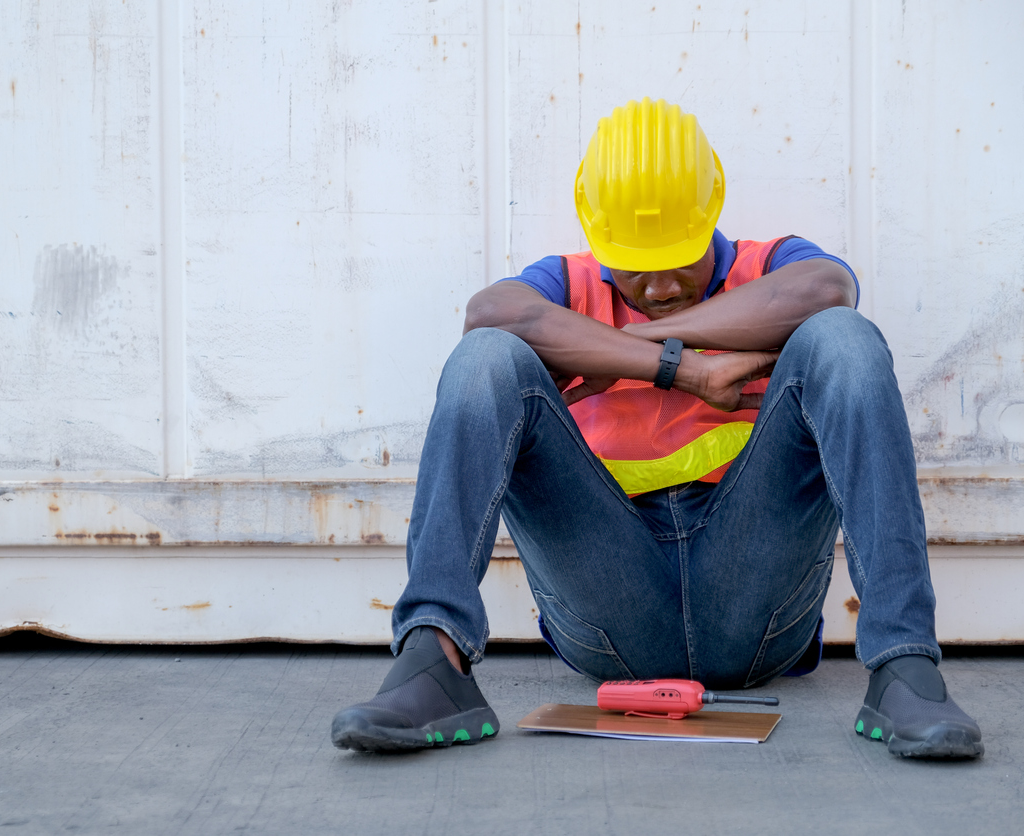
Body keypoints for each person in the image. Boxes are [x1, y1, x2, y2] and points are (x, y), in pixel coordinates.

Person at [331, 97, 983, 759]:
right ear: (598, 233)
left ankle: (904, 664)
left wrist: (628, 341)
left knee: (845, 342)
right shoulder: (564, 283)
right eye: (636, 265)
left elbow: (826, 291)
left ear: (711, 213)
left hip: (754, 596)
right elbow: (491, 314)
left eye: (680, 258)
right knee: (483, 361)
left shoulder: (770, 268)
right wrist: (683, 371)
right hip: (611, 606)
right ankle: (432, 660)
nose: (662, 285)